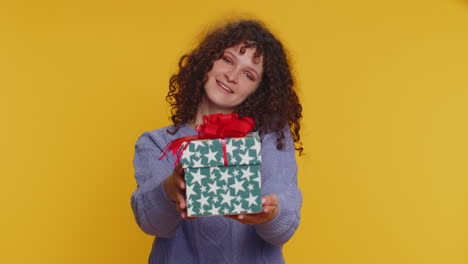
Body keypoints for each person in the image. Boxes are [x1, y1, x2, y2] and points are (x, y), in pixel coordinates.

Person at [131, 19, 303, 263]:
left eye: (248, 74)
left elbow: (283, 226)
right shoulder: (157, 143)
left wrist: (271, 214)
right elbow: (153, 224)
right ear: (207, 61)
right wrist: (170, 188)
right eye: (228, 59)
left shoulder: (269, 137)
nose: (232, 76)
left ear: (259, 90)